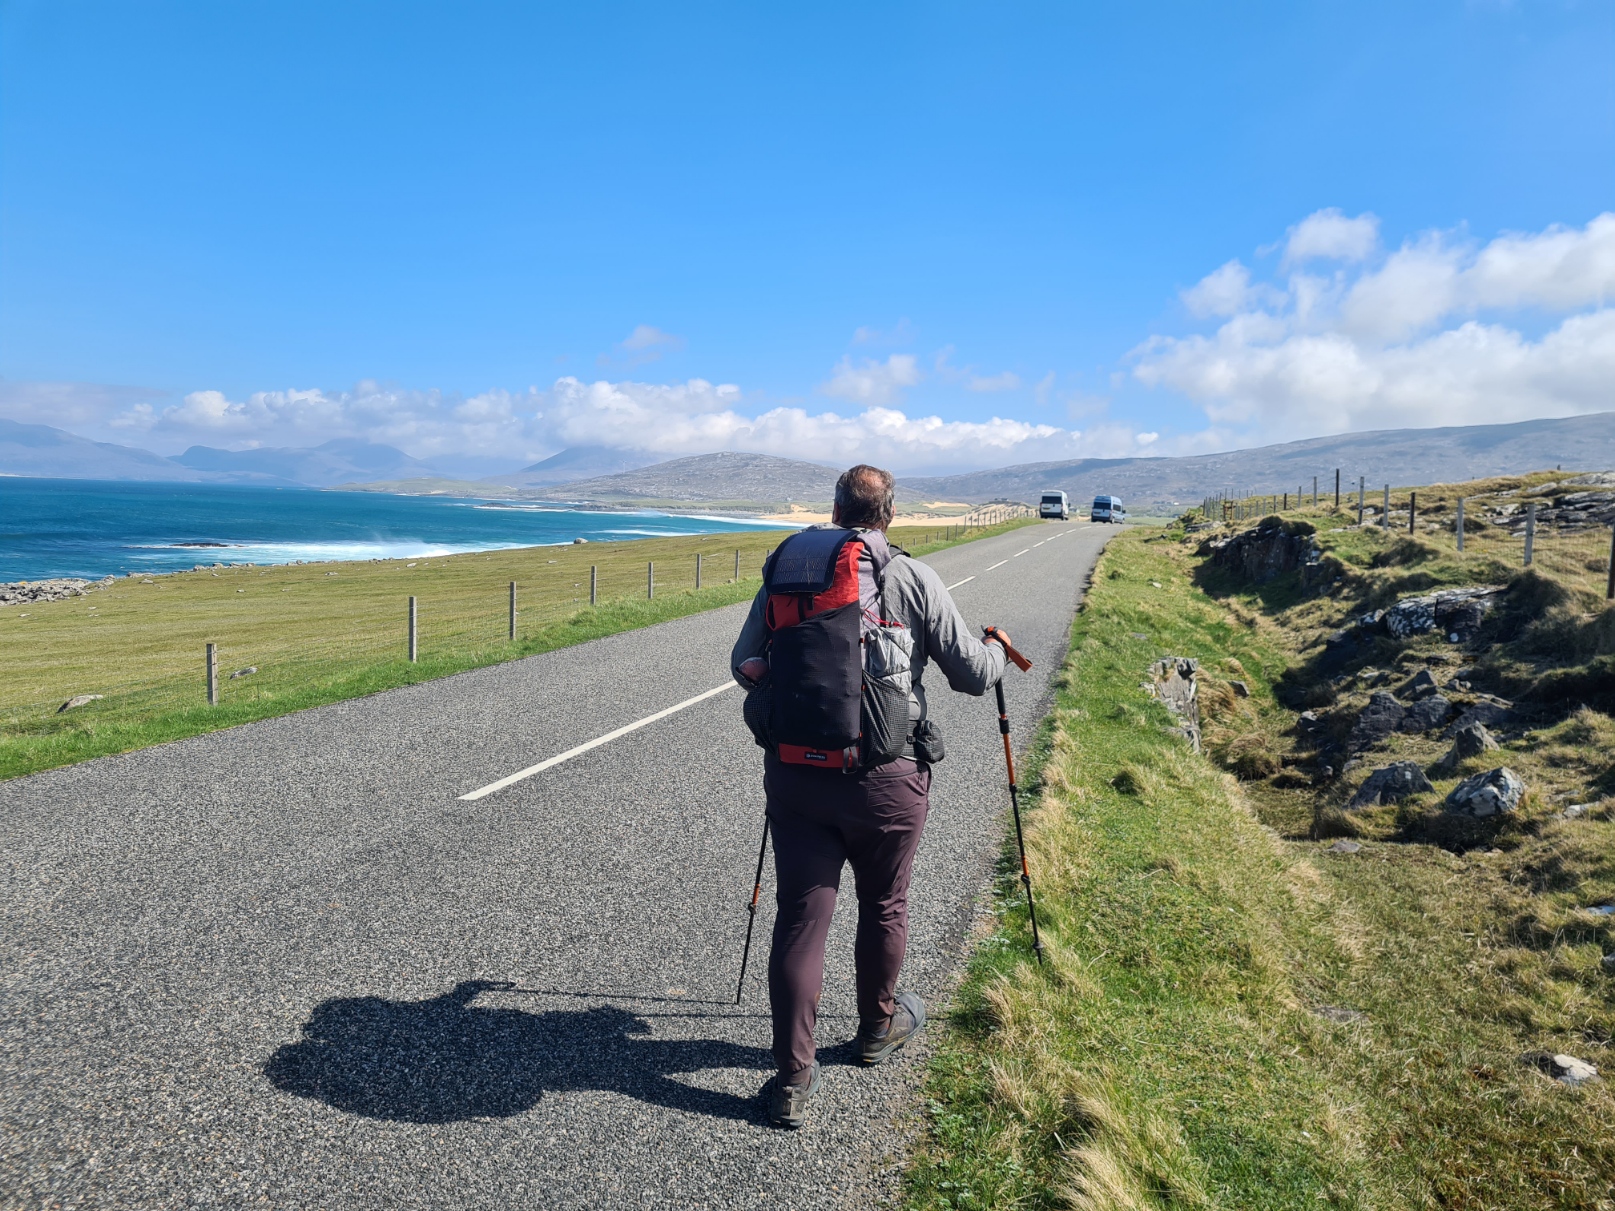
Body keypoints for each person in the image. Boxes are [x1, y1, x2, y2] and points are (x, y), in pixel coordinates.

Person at [731, 463, 1014, 1129]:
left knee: (801, 916)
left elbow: (743, 665)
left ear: (834, 512)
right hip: (887, 777)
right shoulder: (910, 576)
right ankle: (875, 1029)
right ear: (888, 515)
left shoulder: (787, 570)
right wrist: (998, 651)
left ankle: (793, 1079)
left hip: (797, 774)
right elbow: (972, 675)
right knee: (884, 902)